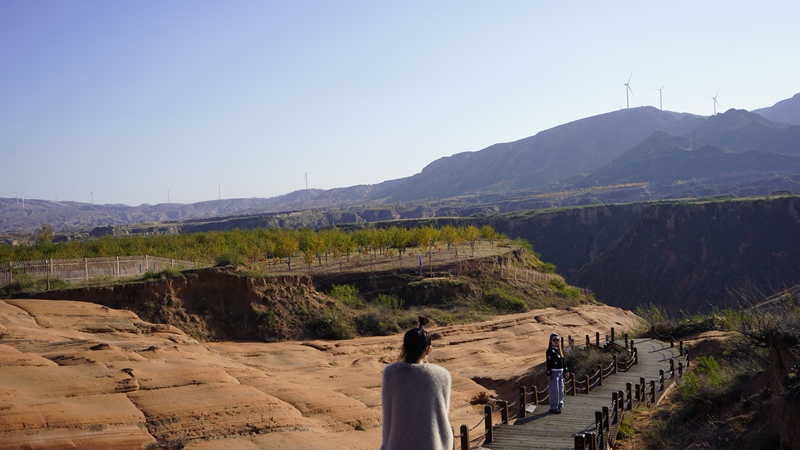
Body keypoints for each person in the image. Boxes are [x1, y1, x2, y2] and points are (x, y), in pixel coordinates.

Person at [381, 316, 453, 450]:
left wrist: (386, 446)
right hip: (432, 445)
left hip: (398, 445)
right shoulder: (442, 375)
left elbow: (388, 417)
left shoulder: (390, 373)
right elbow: (442, 417)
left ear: (404, 348)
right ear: (427, 350)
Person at [546, 332, 569, 413]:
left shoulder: (559, 350)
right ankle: (553, 407)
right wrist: (548, 374)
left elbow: (563, 361)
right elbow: (548, 363)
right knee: (554, 390)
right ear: (551, 341)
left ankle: (560, 404)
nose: (556, 341)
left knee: (560, 389)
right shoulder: (550, 351)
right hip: (553, 372)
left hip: (560, 371)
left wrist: (566, 370)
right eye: (554, 340)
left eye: (557, 340)